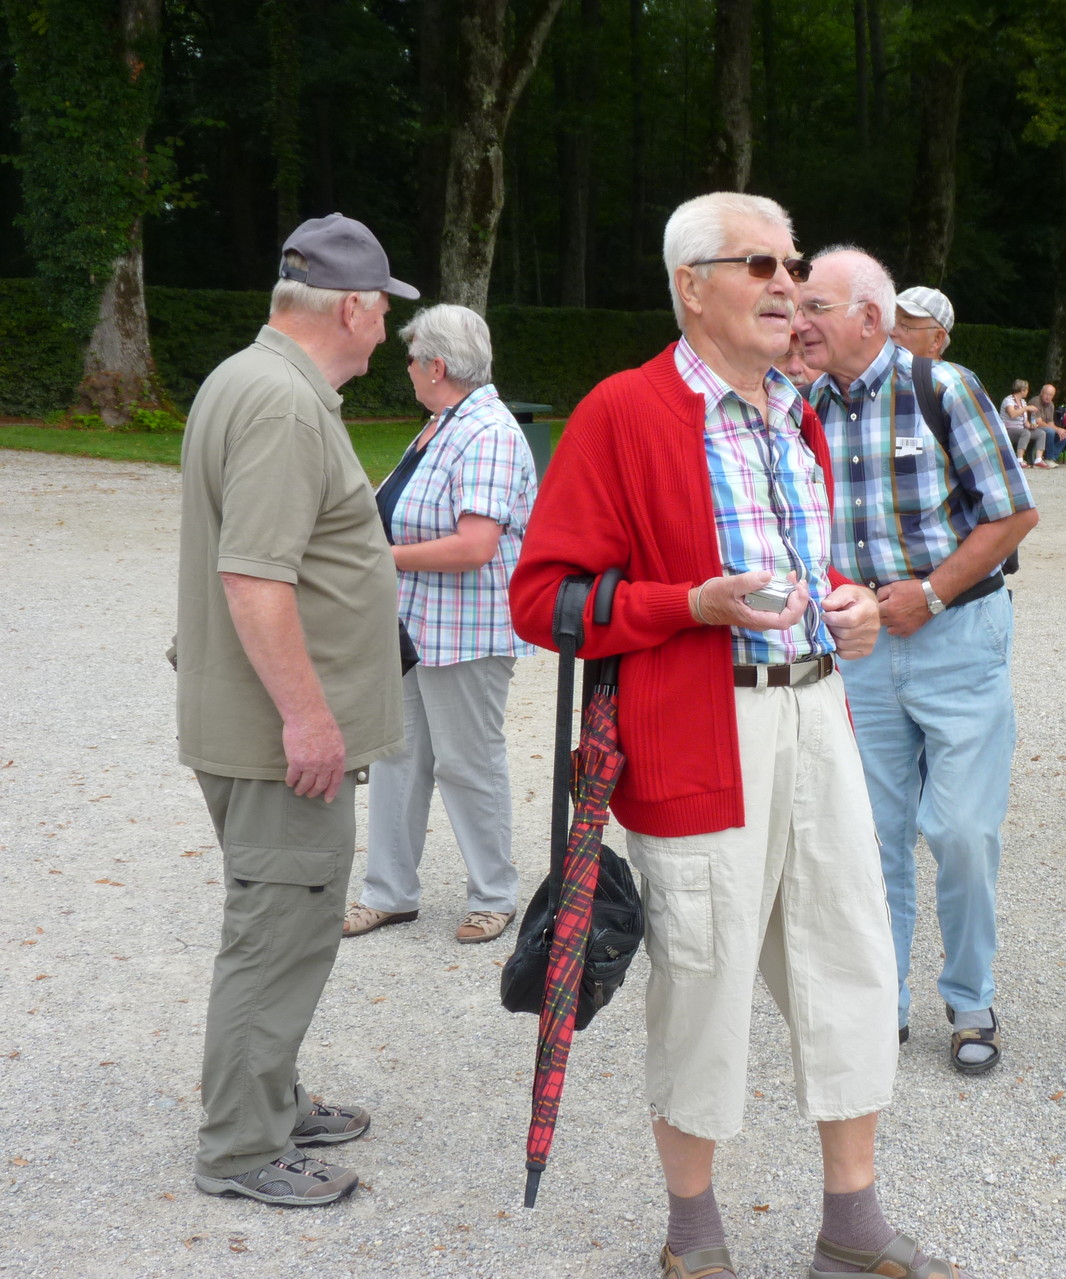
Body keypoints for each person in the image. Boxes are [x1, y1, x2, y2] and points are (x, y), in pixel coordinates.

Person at [509, 194, 977, 1279]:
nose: (786, 283)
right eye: (758, 263)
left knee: (852, 960)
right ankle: (693, 1239)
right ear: (689, 285)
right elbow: (542, 600)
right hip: (695, 735)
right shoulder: (621, 413)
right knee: (706, 979)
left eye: (793, 262)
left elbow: (803, 575)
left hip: (818, 713)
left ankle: (850, 1225)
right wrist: (688, 604)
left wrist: (847, 610)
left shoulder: (792, 412)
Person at [173, 213, 417, 1206]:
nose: (388, 333)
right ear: (353, 306)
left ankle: (266, 1096)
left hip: (257, 727)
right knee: (275, 933)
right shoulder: (280, 405)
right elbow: (254, 578)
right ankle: (239, 1145)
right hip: (278, 741)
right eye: (383, 311)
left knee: (286, 926)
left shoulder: (253, 379)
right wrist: (309, 720)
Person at [796, 245, 1038, 1079]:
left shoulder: (946, 389)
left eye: (814, 306)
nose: (798, 321)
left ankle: (970, 997)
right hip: (858, 646)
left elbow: (1011, 516)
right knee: (872, 837)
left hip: (956, 635)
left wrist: (929, 594)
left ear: (869, 315)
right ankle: (882, 999)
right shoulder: (799, 406)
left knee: (963, 831)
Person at [343, 304, 537, 947]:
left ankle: (494, 895)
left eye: (411, 359)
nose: (406, 369)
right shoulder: (440, 424)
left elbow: (474, 546)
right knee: (398, 757)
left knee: (467, 763)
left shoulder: (489, 431)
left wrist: (374, 558)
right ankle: (388, 894)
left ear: (437, 365)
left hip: (468, 631)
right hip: (411, 624)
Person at [890, 285, 955, 361]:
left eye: (904, 325)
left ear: (936, 339)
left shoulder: (951, 373)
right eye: (890, 321)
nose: (890, 331)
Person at [999, 378, 1044, 467]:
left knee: (1041, 433)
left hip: (1020, 429)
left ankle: (1038, 459)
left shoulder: (1023, 402)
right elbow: (1012, 414)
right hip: (1008, 429)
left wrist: (1031, 425)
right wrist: (1026, 408)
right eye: (1027, 389)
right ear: (1022, 390)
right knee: (1025, 433)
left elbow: (1025, 422)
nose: (1027, 391)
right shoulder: (1009, 400)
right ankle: (1019, 459)